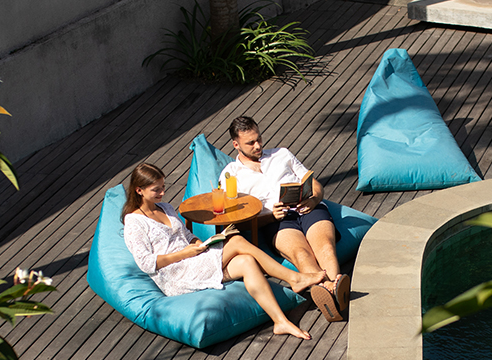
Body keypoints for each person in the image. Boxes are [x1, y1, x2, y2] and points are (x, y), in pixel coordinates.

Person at [122, 163, 324, 340]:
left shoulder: (165, 208)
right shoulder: (134, 222)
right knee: (236, 241)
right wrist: (184, 254)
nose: (162, 193)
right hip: (175, 274)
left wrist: (200, 243)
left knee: (246, 261)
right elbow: (146, 263)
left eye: (163, 187)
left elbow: (186, 234)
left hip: (193, 259)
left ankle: (280, 321)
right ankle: (295, 279)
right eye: (156, 189)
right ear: (139, 190)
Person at [219, 116, 349, 323]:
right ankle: (333, 291)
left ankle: (329, 292)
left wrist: (314, 199)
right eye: (250, 143)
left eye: (259, 139)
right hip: (276, 220)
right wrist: (270, 215)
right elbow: (237, 222)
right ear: (236, 145)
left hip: (308, 207)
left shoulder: (281, 154)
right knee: (301, 254)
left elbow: (314, 183)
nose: (258, 145)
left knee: (325, 246)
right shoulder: (231, 176)